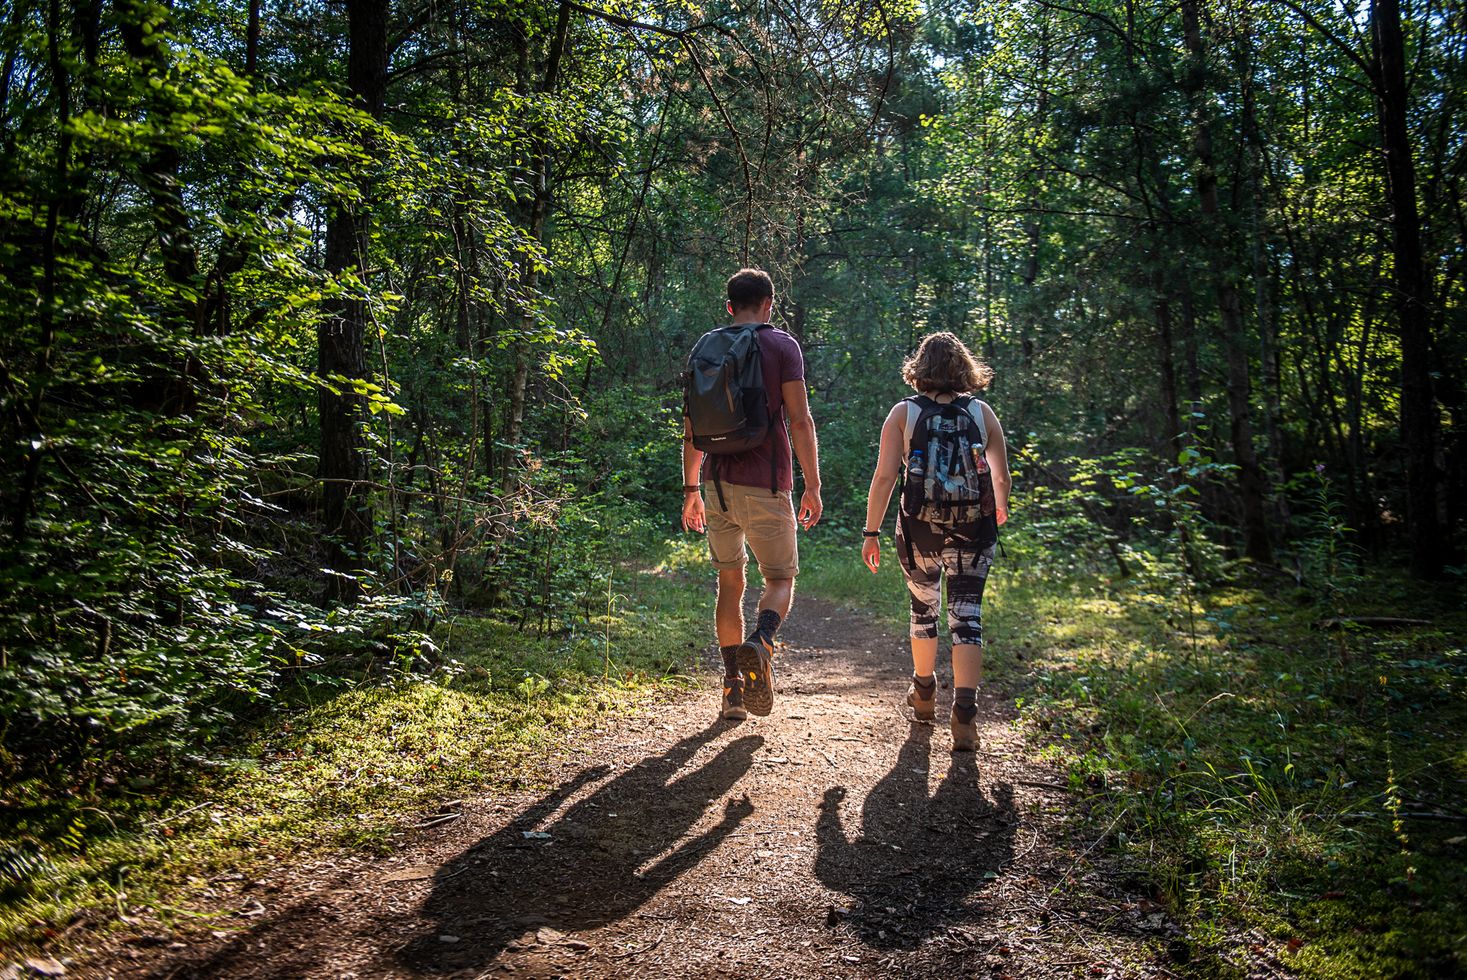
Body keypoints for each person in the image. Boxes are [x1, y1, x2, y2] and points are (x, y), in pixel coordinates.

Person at [681, 268, 822, 721]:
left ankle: (732, 692)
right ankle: (760, 642)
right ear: (769, 304)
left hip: (717, 485)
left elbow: (691, 428)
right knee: (779, 580)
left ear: (729, 306)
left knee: (730, 584)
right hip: (768, 482)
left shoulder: (708, 345)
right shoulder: (781, 346)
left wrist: (690, 489)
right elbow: (799, 421)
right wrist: (813, 484)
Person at [860, 332, 1011, 751]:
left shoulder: (903, 413)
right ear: (965, 369)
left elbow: (886, 477)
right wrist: (998, 507)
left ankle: (924, 693)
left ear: (919, 369)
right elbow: (1001, 476)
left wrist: (871, 532)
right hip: (974, 529)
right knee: (968, 615)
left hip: (918, 529)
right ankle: (964, 716)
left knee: (923, 607)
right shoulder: (982, 413)